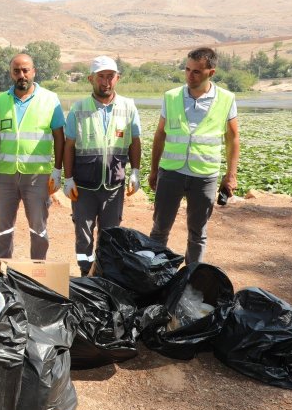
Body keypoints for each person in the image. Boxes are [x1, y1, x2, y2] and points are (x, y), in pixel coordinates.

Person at [149, 47, 240, 264]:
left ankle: (190, 281)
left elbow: (233, 139)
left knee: (198, 234)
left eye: (197, 71)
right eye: (187, 69)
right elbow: (160, 135)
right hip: (171, 172)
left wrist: (231, 174)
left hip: (204, 176)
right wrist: (154, 170)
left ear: (211, 72)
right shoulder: (171, 97)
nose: (190, 75)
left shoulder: (226, 99)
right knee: (159, 229)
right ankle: (152, 276)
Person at [63, 56, 142, 276]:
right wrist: (67, 178)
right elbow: (68, 146)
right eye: (101, 77)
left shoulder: (128, 107)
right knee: (84, 233)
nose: (105, 82)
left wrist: (135, 171)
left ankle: (105, 275)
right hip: (84, 187)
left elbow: (135, 142)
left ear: (118, 78)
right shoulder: (78, 109)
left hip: (114, 187)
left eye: (110, 76)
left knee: (110, 234)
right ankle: (85, 272)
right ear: (91, 79)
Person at [0, 53, 65, 260]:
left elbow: (60, 137)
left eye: (25, 70)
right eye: (16, 71)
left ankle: (37, 269)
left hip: (37, 176)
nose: (21, 75)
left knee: (38, 226)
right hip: (5, 175)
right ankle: (2, 269)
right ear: (11, 73)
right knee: (3, 227)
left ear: (34, 72)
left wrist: (58, 171)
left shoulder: (50, 99)